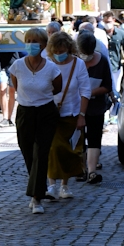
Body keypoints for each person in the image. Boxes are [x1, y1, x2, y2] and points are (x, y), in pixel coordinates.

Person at [8, 28, 62, 214]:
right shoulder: (17, 66)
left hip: (46, 112)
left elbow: (56, 88)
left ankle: (36, 197)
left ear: (43, 45)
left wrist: (40, 97)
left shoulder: (51, 68)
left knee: (41, 153)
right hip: (25, 112)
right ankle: (38, 188)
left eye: (36, 41)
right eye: (28, 40)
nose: (31, 44)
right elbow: (16, 86)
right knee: (28, 153)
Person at [46, 30, 90, 200]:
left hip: (71, 111)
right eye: (56, 52)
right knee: (52, 149)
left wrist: (82, 115)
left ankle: (64, 185)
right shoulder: (48, 63)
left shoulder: (77, 64)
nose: (59, 55)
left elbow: (85, 90)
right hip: (50, 112)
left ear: (69, 49)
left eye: (62, 51)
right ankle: (51, 185)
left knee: (68, 150)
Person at [76, 31, 111, 186]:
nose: (85, 56)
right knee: (79, 139)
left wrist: (90, 93)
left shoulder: (102, 61)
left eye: (87, 53)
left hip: (96, 107)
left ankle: (91, 172)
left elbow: (107, 85)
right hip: (77, 107)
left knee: (94, 138)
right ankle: (81, 169)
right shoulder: (75, 61)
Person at [102, 11, 124, 119]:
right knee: (105, 91)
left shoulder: (120, 33)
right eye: (105, 22)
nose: (106, 24)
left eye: (108, 21)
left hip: (116, 67)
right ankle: (105, 116)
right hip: (103, 67)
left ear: (114, 21)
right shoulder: (100, 33)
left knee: (115, 91)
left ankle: (114, 115)